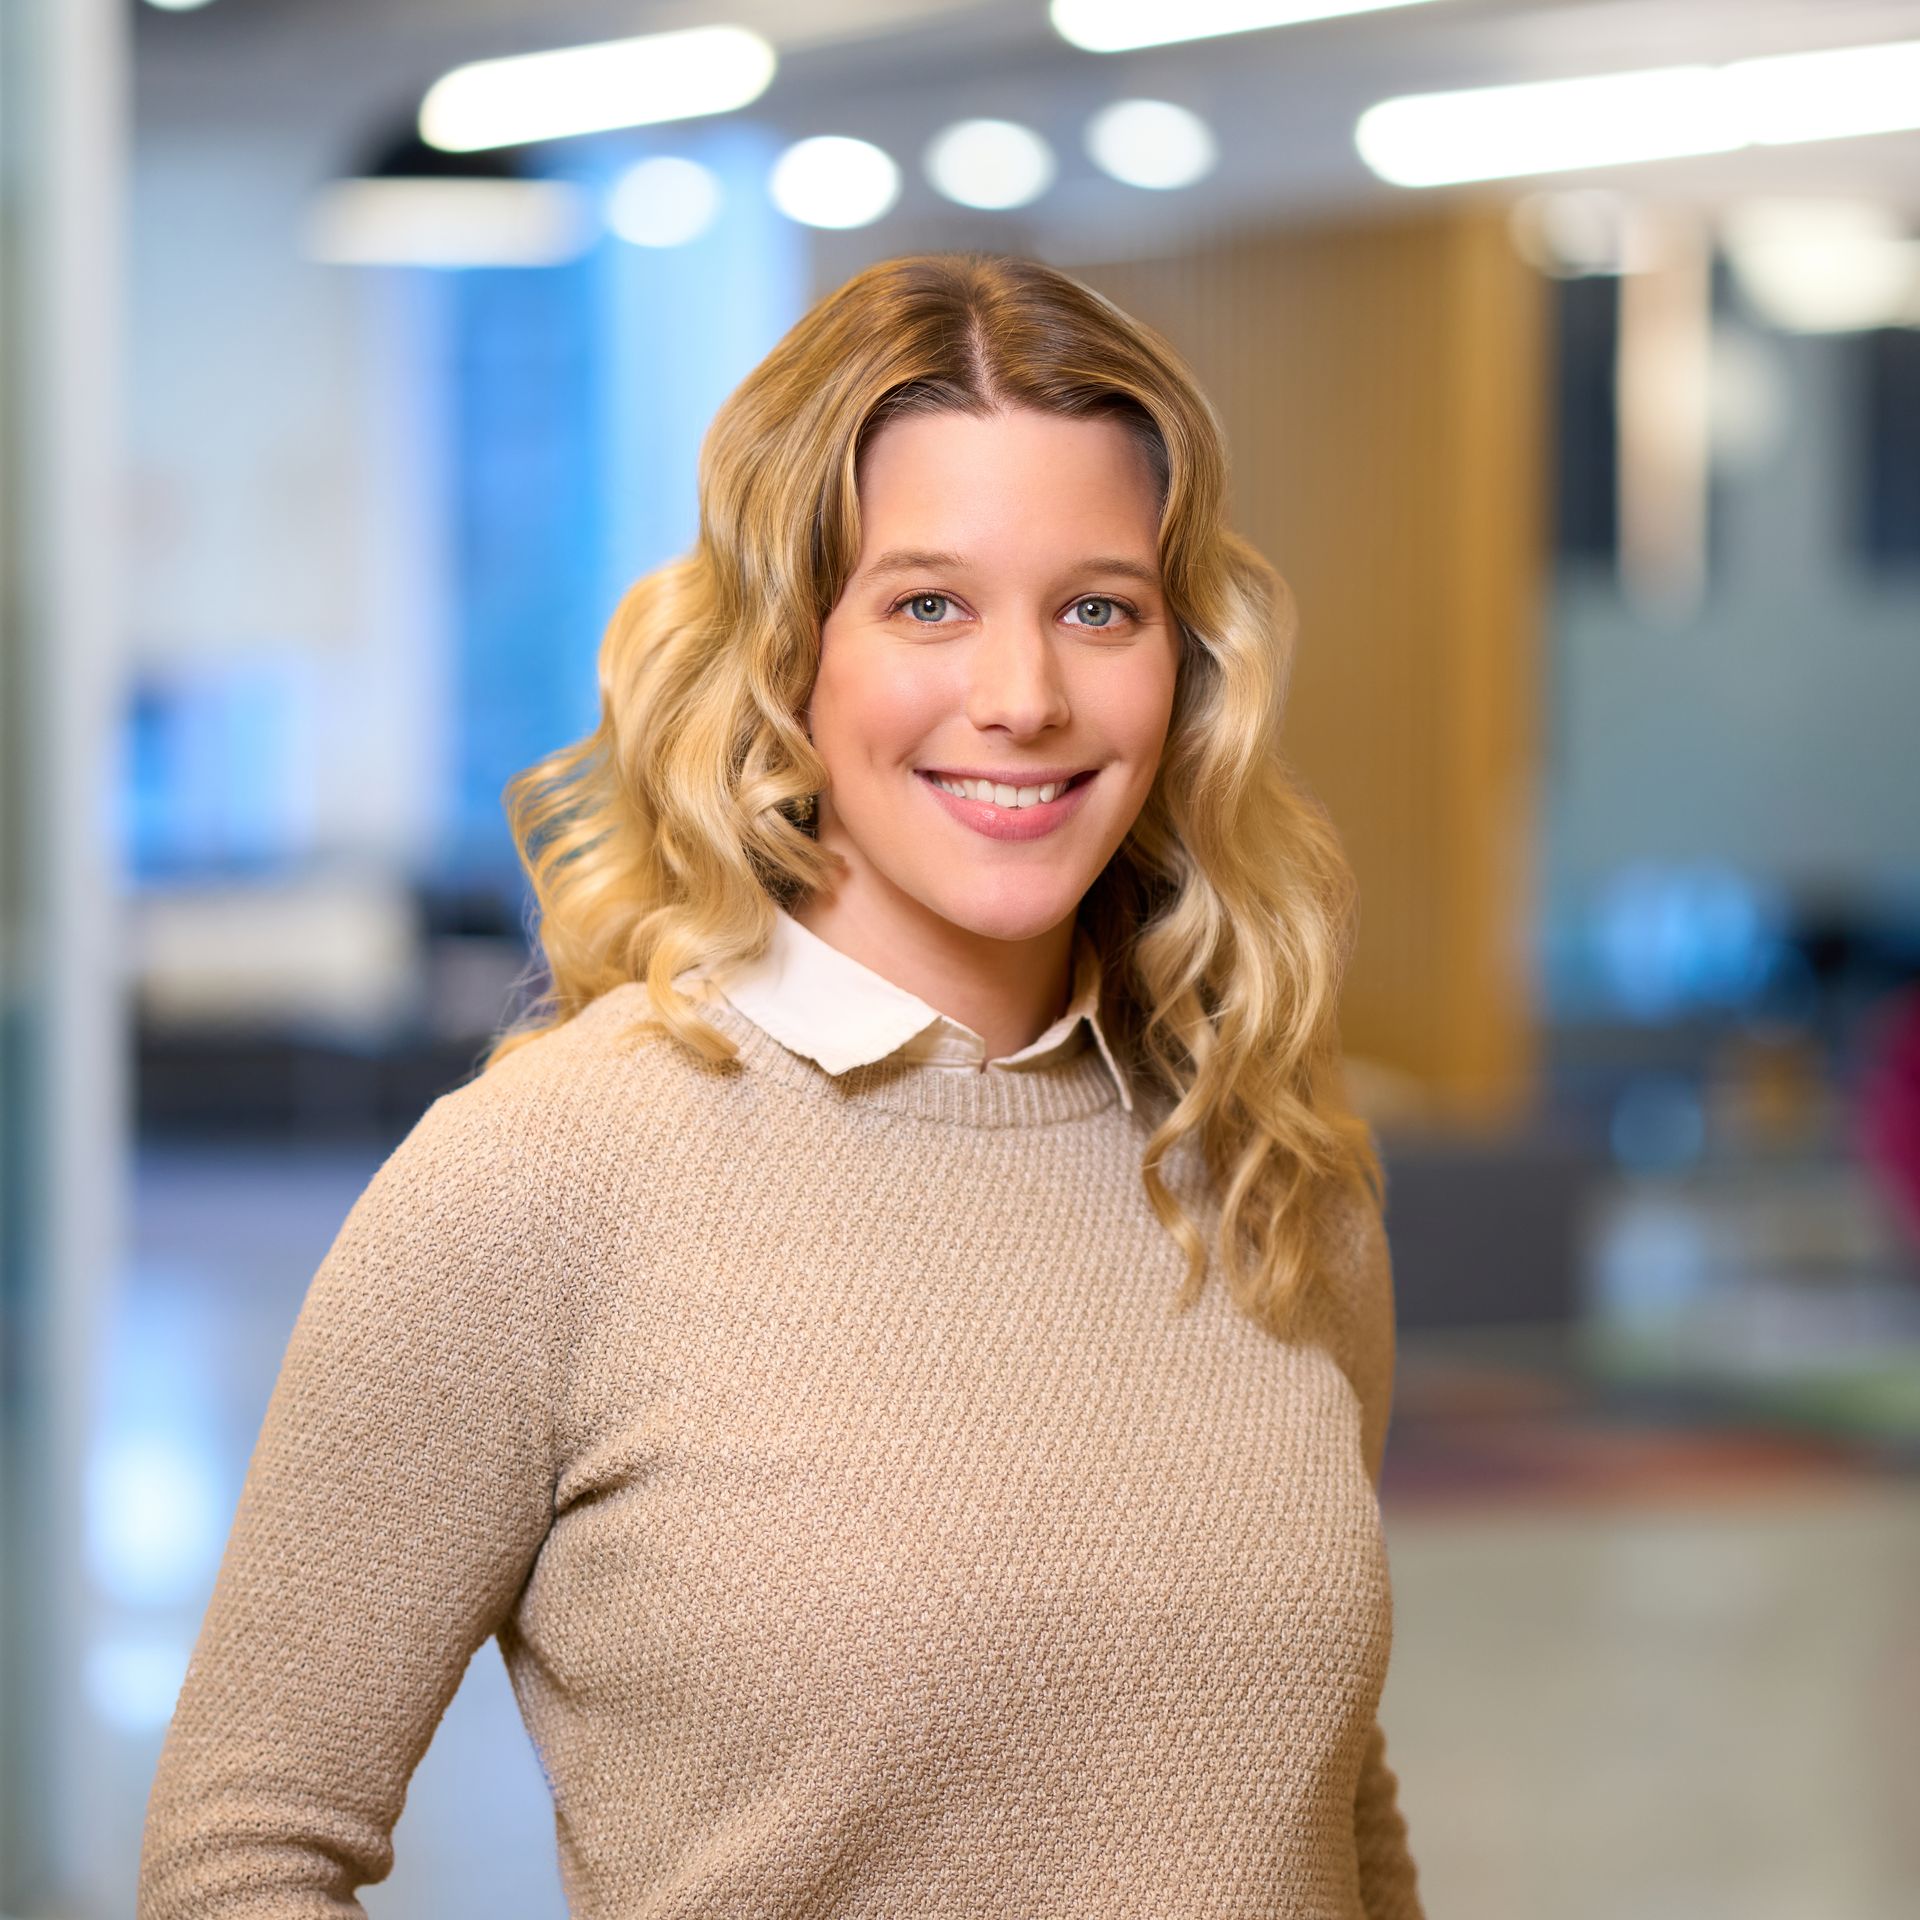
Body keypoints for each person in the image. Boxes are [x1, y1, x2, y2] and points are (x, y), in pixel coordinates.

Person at [138, 251, 1425, 1919]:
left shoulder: (1264, 1158)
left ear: (1184, 664)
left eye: (1097, 606)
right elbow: (242, 1855)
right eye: (928, 604)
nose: (1022, 697)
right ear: (786, 651)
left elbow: (1333, 1800)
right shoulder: (543, 1179)